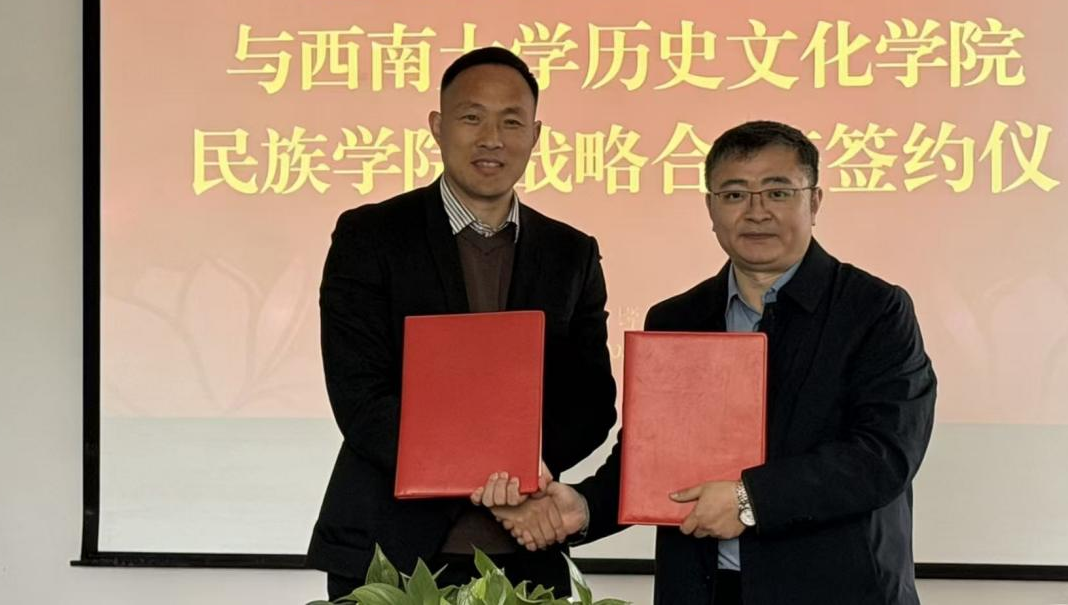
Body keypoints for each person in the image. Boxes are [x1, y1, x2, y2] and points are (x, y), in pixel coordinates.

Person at [473, 120, 936, 605]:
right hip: (702, 590)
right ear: (711, 208)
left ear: (814, 201)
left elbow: (884, 456)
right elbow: (654, 457)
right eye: (734, 195)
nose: (756, 212)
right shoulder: (677, 318)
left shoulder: (874, 311)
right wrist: (584, 507)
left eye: (778, 193)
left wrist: (749, 499)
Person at [307, 48, 618, 600]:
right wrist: (494, 472)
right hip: (389, 551)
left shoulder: (570, 252)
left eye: (512, 122)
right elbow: (361, 397)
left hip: (526, 553)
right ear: (437, 126)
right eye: (472, 117)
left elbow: (590, 401)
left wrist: (520, 474)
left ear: (536, 135)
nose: (492, 138)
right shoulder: (370, 237)